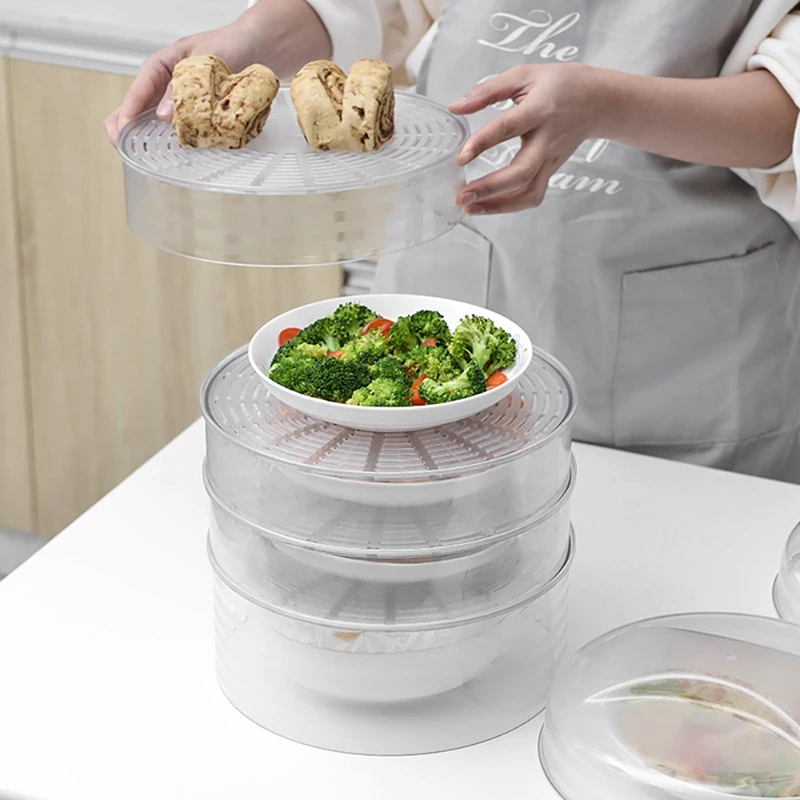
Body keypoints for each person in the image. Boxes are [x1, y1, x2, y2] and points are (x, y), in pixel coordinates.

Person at [106, 0, 800, 483]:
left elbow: (787, 105)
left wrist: (605, 104)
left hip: (683, 359)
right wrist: (253, 36)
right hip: (447, 270)